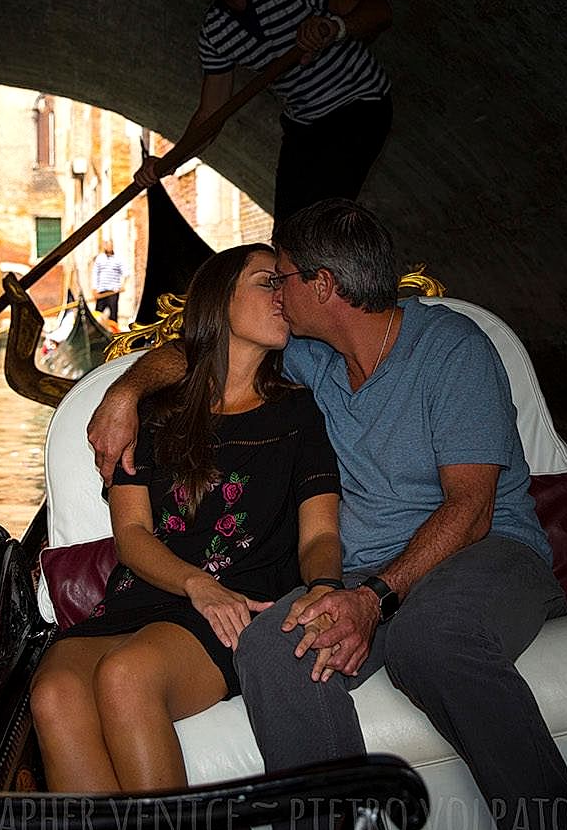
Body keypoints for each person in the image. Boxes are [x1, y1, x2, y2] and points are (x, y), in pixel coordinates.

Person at [88, 200, 567, 830]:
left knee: (430, 636)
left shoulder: (453, 350)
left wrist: (373, 598)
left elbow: (470, 508)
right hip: (362, 575)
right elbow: (204, 351)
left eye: (282, 277)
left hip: (486, 554)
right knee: (273, 644)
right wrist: (124, 392)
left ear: (321, 286)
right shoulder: (308, 359)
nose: (276, 290)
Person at [30, 244, 344, 795]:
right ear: (220, 301)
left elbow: (319, 533)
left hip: (240, 603)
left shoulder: (301, 410)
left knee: (127, 678)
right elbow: (130, 536)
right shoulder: (154, 413)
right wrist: (196, 584)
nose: (283, 294)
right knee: (53, 690)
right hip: (154, 590)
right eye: (266, 282)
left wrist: (324, 589)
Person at [135, 0, 394, 233]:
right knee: (286, 236)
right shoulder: (215, 32)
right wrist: (168, 163)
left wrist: (334, 27)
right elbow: (210, 116)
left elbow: (379, 12)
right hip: (305, 126)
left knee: (318, 225)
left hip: (360, 104)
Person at [91, 240, 128, 323]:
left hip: (113, 291)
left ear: (112, 247)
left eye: (110, 246)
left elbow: (126, 272)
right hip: (101, 291)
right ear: (105, 247)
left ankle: (114, 332)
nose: (109, 247)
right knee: (98, 313)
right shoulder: (99, 258)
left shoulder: (118, 259)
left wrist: (123, 285)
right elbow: (95, 273)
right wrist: (94, 289)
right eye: (107, 246)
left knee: (113, 314)